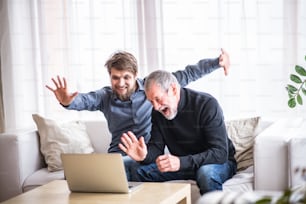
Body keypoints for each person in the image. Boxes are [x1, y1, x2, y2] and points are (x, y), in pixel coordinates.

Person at [46, 49, 230, 157]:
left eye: (126, 77)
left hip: (148, 153)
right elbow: (85, 100)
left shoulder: (154, 89)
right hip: (118, 155)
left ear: (135, 75)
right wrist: (67, 101)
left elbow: (189, 73)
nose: (120, 83)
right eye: (115, 78)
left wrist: (217, 62)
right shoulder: (105, 96)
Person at [119, 70, 236, 194]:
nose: (156, 107)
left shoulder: (206, 104)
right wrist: (144, 155)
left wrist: (181, 162)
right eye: (151, 102)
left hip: (217, 163)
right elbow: (156, 149)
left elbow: (220, 153)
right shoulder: (158, 113)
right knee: (136, 169)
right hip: (185, 166)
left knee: (206, 173)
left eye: (157, 99)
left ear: (173, 90)